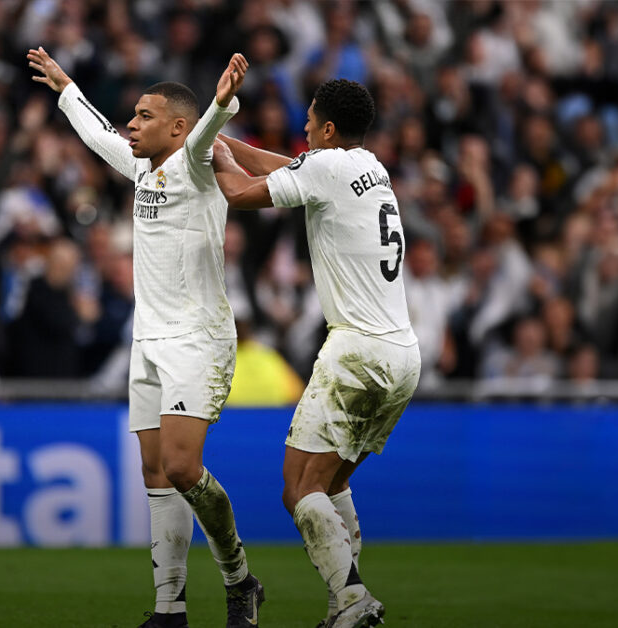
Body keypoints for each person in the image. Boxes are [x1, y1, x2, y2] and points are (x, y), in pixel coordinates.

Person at [27, 48, 263, 628]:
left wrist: (222, 103)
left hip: (198, 338)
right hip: (148, 340)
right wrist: (65, 86)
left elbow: (205, 133)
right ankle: (169, 609)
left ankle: (239, 578)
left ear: (177, 128)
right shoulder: (140, 170)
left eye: (143, 116)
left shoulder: (199, 163)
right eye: (133, 115)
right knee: (156, 476)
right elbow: (96, 134)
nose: (131, 124)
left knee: (183, 468)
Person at [212, 79, 422, 628]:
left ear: (328, 128)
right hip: (402, 354)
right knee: (331, 485)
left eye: (309, 119)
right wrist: (225, 138)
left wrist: (208, 151)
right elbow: (288, 166)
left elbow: (239, 194)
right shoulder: (369, 167)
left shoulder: (325, 167)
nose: (303, 127)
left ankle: (352, 598)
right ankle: (342, 606)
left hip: (357, 352)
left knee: (298, 488)